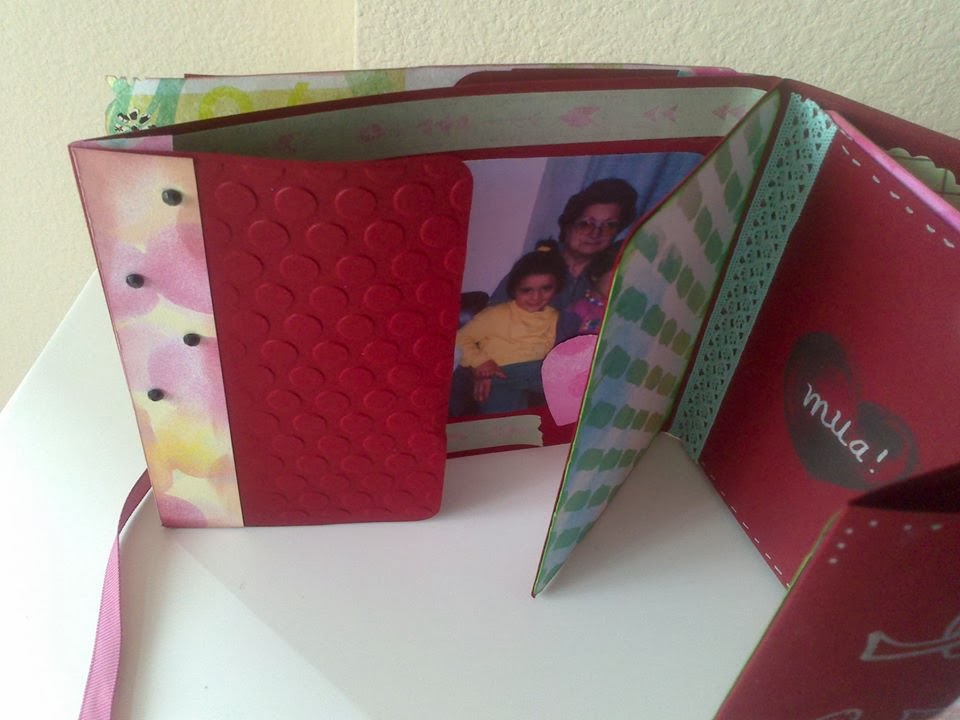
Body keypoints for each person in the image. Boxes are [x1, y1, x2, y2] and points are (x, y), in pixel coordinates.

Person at [489, 177, 637, 310]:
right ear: (568, 225)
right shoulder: (535, 264)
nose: (595, 233)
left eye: (609, 225)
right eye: (586, 223)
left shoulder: (613, 276)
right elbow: (491, 314)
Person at [454, 242, 566, 415]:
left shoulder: (555, 316)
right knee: (555, 374)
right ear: (514, 289)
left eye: (546, 289)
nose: (536, 297)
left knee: (512, 418)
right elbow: (459, 338)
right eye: (527, 290)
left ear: (556, 287)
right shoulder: (496, 314)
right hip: (501, 371)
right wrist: (480, 361)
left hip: (526, 377)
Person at [556, 247, 617, 342]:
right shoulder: (579, 309)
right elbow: (564, 342)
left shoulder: (620, 310)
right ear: (596, 275)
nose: (618, 285)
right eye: (614, 279)